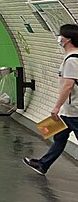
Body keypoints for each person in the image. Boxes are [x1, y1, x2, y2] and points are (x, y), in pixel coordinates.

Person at [23, 24, 78, 174]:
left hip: (74, 110)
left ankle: (43, 164)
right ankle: (43, 164)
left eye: (60, 35)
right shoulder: (70, 57)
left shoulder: (72, 60)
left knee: (60, 136)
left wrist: (56, 107)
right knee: (59, 137)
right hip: (70, 110)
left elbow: (68, 85)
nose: (58, 38)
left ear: (67, 39)